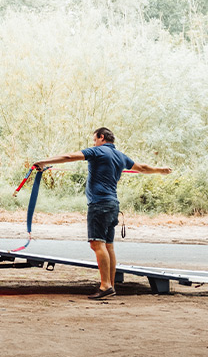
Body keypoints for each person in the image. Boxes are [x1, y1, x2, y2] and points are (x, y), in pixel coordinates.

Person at [33, 128, 171, 300]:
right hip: (113, 205)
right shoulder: (120, 156)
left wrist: (43, 162)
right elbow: (142, 168)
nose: (93, 143)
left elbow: (69, 157)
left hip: (99, 205)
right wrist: (160, 170)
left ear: (101, 137)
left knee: (97, 244)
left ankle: (105, 285)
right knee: (108, 246)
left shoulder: (97, 151)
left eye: (94, 139)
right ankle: (110, 285)